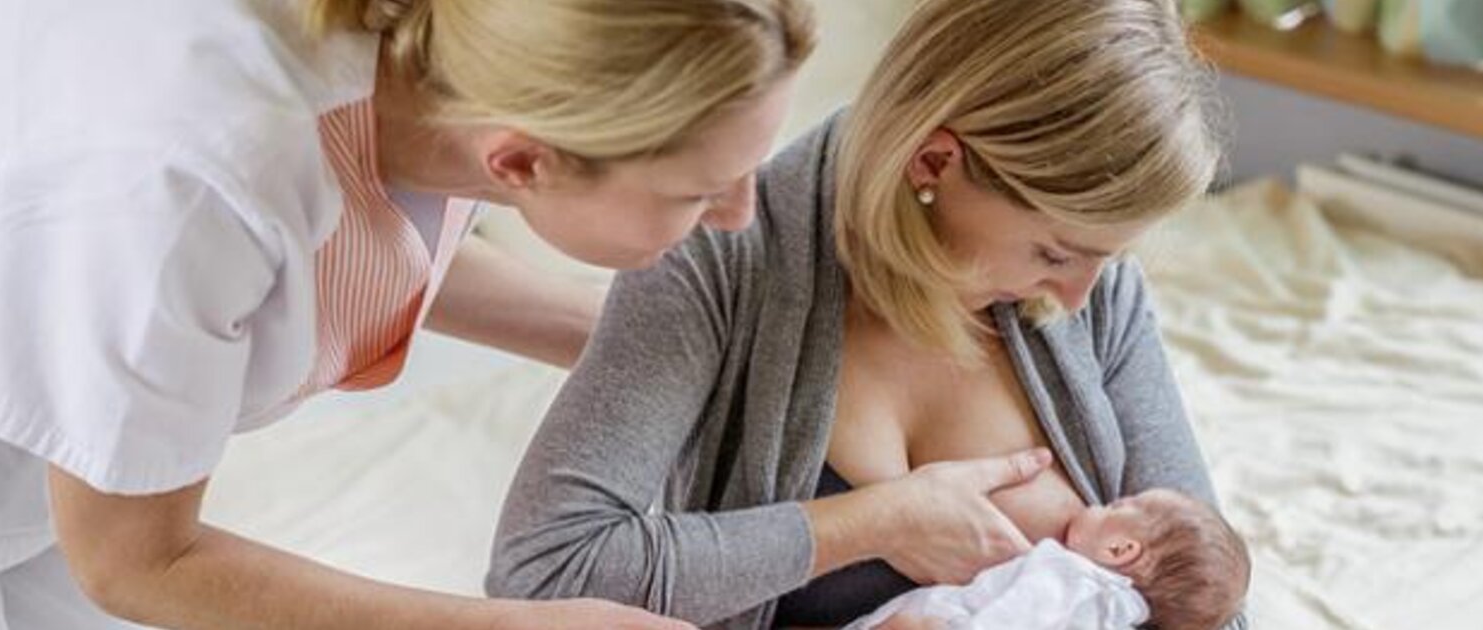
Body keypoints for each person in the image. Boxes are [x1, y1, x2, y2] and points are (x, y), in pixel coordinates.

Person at [0, 0, 815, 627]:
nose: (733, 219)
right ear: (523, 158)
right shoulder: (193, 173)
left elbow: (359, 240)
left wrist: (637, 349)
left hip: (51, 347)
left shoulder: (443, 60)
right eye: (695, 191)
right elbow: (135, 561)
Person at [484, 0, 1248, 628]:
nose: (1078, 299)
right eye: (1053, 254)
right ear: (934, 162)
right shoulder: (722, 262)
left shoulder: (1096, 295)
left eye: (1105, 259)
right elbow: (546, 569)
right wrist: (872, 524)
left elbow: (1214, 604)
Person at [845, 488, 1251, 630]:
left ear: (1120, 551)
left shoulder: (1073, 577)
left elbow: (1010, 618)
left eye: (1116, 505)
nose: (1100, 504)